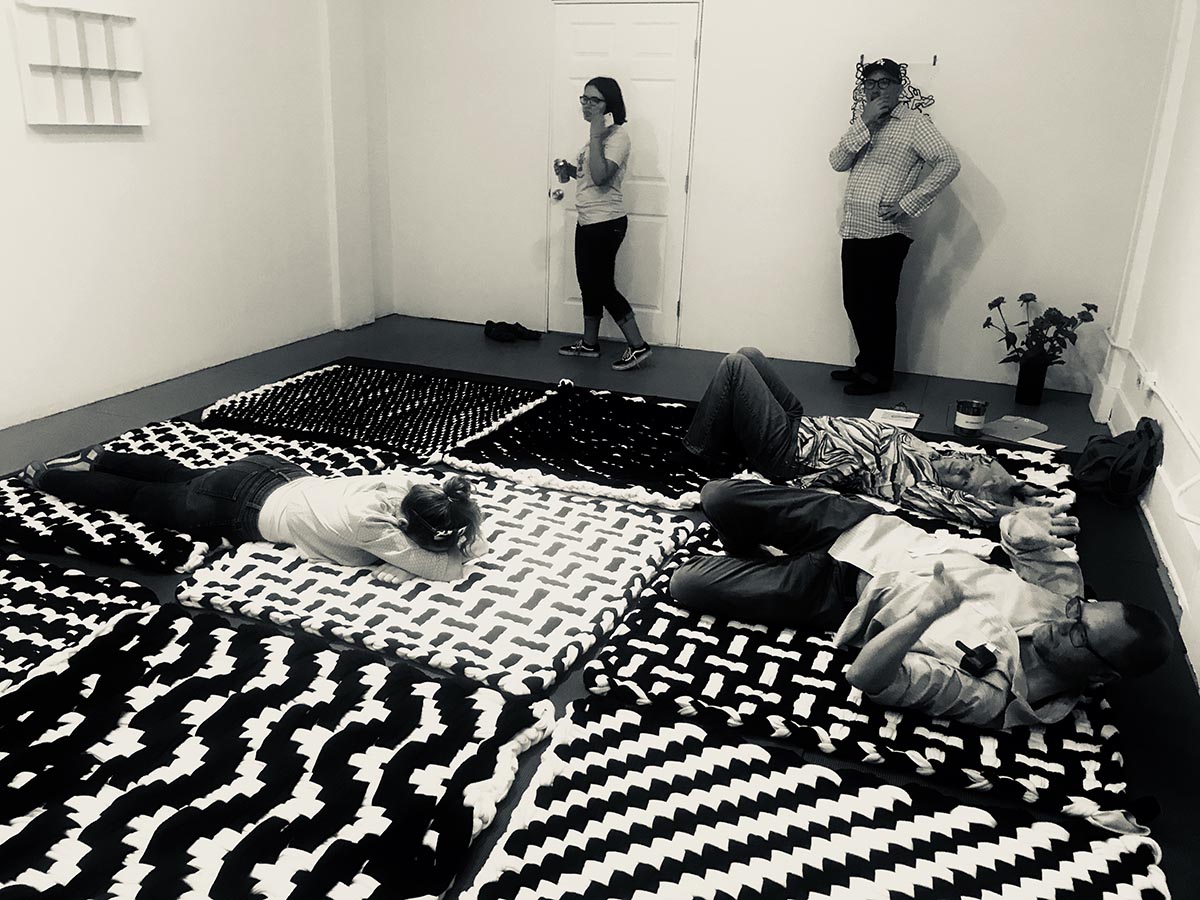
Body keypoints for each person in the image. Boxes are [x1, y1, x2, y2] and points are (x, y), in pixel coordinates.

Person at [669, 480, 1172, 730]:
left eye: (1080, 633)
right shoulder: (1064, 600)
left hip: (835, 594)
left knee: (685, 583)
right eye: (1079, 612)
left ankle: (765, 564)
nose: (1066, 621)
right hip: (868, 531)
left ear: (1100, 676)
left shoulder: (995, 698)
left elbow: (868, 677)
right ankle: (755, 556)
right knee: (717, 496)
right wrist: (1023, 523)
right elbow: (1022, 539)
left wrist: (924, 614)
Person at [683, 347, 1052, 526]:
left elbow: (970, 510)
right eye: (970, 464)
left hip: (787, 451)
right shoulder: (932, 452)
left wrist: (1019, 514)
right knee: (749, 355)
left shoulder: (917, 484)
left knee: (735, 366)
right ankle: (726, 439)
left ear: (959, 492)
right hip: (802, 423)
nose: (960, 466)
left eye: (966, 479)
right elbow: (985, 462)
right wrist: (1012, 483)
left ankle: (696, 451)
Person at [22, 449, 487, 582]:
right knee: (138, 498)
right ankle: (45, 478)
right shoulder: (371, 527)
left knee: (183, 476)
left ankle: (102, 457)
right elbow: (445, 569)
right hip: (237, 509)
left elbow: (463, 530)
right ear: (407, 528)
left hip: (270, 472)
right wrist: (412, 561)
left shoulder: (402, 485)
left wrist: (457, 524)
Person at [829, 58, 961, 396]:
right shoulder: (864, 121)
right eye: (870, 83)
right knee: (854, 302)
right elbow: (837, 161)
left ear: (899, 87)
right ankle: (865, 364)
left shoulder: (914, 123)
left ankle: (878, 376)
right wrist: (865, 122)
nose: (876, 89)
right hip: (854, 228)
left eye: (884, 82)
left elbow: (948, 162)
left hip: (887, 234)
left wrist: (909, 203)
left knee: (878, 307)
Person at [554, 76, 652, 371]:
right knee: (588, 283)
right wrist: (570, 169)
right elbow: (589, 174)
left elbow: (600, 177)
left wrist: (596, 133)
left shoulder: (617, 137)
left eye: (594, 100)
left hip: (606, 223)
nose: (586, 105)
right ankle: (589, 344)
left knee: (602, 286)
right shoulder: (596, 138)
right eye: (584, 99)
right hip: (588, 220)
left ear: (609, 105)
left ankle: (639, 346)